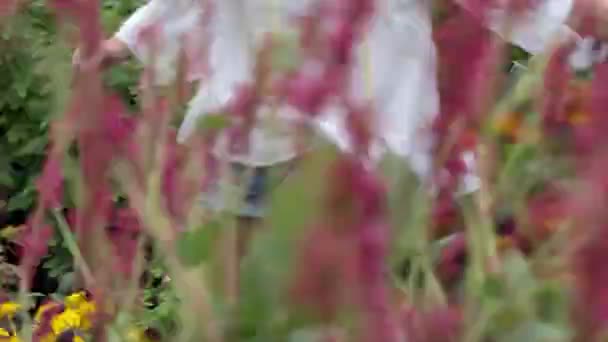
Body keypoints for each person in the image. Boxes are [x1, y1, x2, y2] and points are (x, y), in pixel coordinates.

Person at [73, 0, 582, 300]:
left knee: (336, 303)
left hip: (358, 144)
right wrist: (126, 42)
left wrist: (590, 17)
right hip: (247, 139)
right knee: (232, 308)